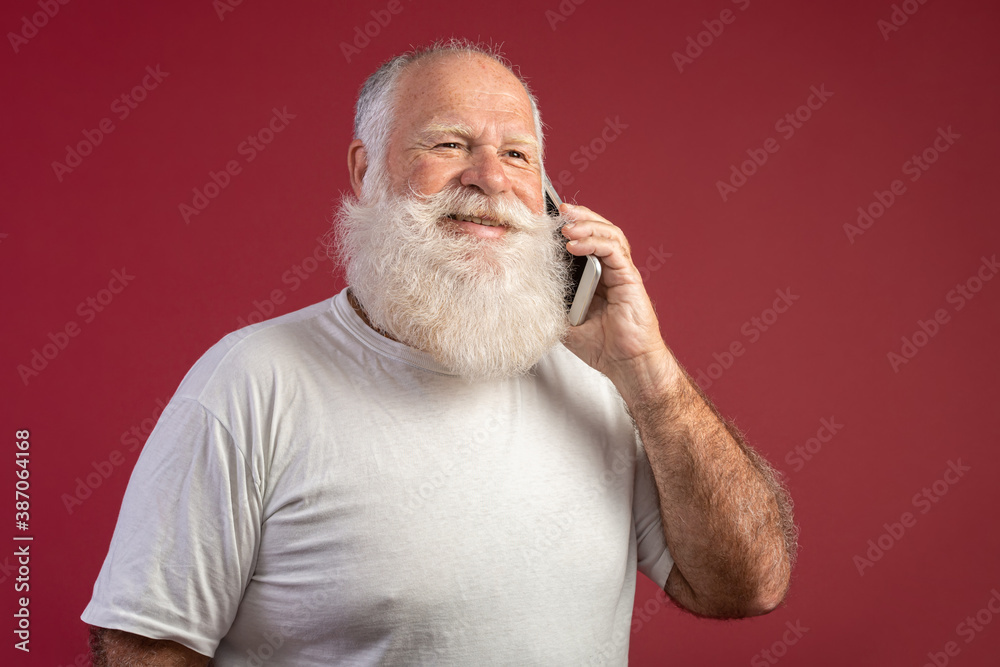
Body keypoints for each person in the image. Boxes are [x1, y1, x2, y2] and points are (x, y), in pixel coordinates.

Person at [83, 40, 797, 666]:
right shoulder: (250, 381)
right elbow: (146, 643)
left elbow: (747, 586)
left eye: (517, 154)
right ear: (366, 170)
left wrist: (646, 371)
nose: (490, 178)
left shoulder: (606, 381)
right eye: (449, 144)